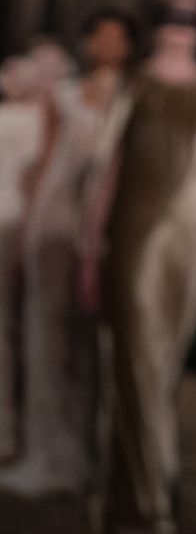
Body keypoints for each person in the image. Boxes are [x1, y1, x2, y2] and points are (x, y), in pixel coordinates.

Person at [80, 0, 196, 532]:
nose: (181, 26)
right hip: (133, 241)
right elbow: (105, 175)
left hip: (191, 246)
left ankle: (121, 502)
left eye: (192, 16)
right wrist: (89, 253)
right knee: (134, 366)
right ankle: (156, 509)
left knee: (163, 373)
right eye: (171, 15)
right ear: (155, 21)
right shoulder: (133, 84)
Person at [0, 10, 136, 498]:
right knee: (46, 337)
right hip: (57, 226)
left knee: (93, 348)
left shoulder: (135, 97)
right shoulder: (66, 97)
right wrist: (29, 226)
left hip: (106, 233)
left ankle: (87, 456)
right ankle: (47, 453)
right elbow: (46, 163)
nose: (107, 44)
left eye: (117, 37)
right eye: (100, 35)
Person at [0, 40, 70, 467]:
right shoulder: (28, 118)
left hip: (14, 224)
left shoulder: (41, 118)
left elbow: (35, 177)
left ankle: (13, 432)